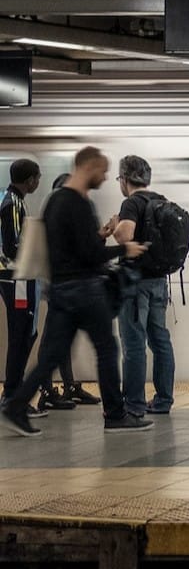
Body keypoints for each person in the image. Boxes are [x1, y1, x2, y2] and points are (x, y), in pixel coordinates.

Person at [0, 147, 151, 436]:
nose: (105, 177)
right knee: (107, 350)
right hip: (85, 290)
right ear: (88, 167)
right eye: (102, 171)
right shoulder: (78, 203)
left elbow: (67, 248)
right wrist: (125, 249)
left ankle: (15, 406)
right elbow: (90, 253)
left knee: (51, 356)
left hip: (60, 290)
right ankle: (116, 416)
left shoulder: (54, 201)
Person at [31, 172, 100, 412]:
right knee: (54, 340)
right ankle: (44, 392)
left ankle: (68, 386)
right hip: (60, 287)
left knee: (61, 340)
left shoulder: (64, 208)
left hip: (68, 286)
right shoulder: (58, 209)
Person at [112, 155, 176, 417]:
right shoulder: (161, 200)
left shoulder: (132, 202)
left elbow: (124, 236)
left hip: (136, 283)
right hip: (160, 282)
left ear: (125, 180)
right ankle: (163, 401)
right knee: (160, 340)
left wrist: (116, 224)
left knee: (134, 343)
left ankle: (134, 404)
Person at [1, 159, 46, 420]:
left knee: (25, 333)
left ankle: (12, 394)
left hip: (15, 277)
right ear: (30, 180)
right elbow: (11, 247)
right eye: (37, 178)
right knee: (21, 335)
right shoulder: (13, 204)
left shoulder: (13, 200)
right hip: (16, 278)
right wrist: (37, 254)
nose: (38, 183)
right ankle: (12, 396)